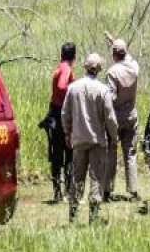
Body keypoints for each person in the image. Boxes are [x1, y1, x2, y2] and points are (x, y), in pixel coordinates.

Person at [62, 53, 118, 224]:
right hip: (97, 142)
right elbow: (110, 118)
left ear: (85, 67)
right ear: (99, 69)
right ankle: (93, 218)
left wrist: (67, 133)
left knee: (77, 178)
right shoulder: (103, 90)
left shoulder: (73, 88)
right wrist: (114, 138)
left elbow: (65, 114)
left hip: (78, 140)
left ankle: (73, 215)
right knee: (96, 178)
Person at [103, 32, 140, 202]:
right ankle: (132, 191)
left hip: (116, 118)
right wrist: (114, 41)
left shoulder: (112, 72)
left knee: (111, 152)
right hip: (131, 116)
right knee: (130, 153)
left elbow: (110, 98)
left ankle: (107, 190)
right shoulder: (134, 67)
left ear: (113, 55)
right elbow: (129, 57)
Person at [48, 42, 76, 203]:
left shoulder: (59, 66)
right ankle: (67, 192)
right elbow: (62, 86)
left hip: (54, 111)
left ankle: (57, 192)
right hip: (62, 113)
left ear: (61, 54)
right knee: (69, 152)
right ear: (74, 57)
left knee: (56, 153)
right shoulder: (66, 68)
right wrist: (71, 98)